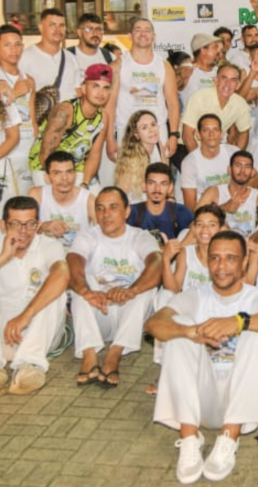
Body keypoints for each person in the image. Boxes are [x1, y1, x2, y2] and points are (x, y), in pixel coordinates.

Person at [146, 230, 258, 484]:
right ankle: (190, 438)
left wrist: (238, 322)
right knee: (177, 328)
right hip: (200, 400)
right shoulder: (196, 295)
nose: (221, 266)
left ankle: (229, 438)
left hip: (247, 406)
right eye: (214, 258)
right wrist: (189, 331)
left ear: (244, 261)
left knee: (257, 332)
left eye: (230, 258)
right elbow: (154, 324)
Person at [67, 187, 162, 388]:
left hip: (131, 313)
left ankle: (115, 353)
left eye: (113, 207)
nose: (105, 214)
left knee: (145, 289)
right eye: (100, 208)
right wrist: (88, 292)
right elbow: (74, 261)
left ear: (127, 211)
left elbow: (156, 263)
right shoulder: (87, 236)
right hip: (99, 310)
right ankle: (89, 354)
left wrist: (131, 290)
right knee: (81, 284)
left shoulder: (140, 236)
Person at [0, 196, 68, 394]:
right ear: (4, 225)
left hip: (40, 334)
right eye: (16, 224)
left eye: (30, 224)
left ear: (38, 225)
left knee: (56, 293)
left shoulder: (48, 245)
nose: (23, 231)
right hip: (4, 335)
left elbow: (62, 274)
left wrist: (26, 315)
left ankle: (29, 366)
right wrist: (4, 256)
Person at [103, 17, 180, 185]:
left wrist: (174, 135)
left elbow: (173, 103)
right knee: (129, 186)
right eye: (137, 30)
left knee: (159, 184)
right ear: (130, 36)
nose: (142, 33)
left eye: (147, 30)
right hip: (128, 133)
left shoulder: (164, 65)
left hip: (157, 133)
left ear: (154, 36)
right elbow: (109, 105)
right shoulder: (118, 65)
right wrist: (110, 138)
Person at [28, 63, 110, 189]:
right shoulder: (64, 112)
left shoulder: (103, 117)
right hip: (46, 167)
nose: (101, 92)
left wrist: (85, 183)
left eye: (106, 88)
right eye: (95, 86)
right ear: (83, 88)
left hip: (75, 168)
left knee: (94, 202)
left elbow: (94, 155)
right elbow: (45, 153)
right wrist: (58, 179)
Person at [29, 151, 95, 250]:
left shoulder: (89, 199)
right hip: (45, 256)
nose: (64, 178)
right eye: (57, 173)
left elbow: (104, 234)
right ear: (47, 177)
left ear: (75, 174)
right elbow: (24, 228)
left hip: (78, 257)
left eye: (69, 172)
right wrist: (44, 226)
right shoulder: (37, 195)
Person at [196, 150, 258, 238]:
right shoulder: (214, 192)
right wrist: (223, 208)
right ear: (229, 169)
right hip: (220, 241)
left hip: (248, 243)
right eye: (238, 165)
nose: (242, 170)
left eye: (247, 167)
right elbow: (195, 218)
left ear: (253, 172)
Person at [181, 63, 251, 151]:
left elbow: (244, 132)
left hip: (213, 149)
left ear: (238, 85)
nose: (227, 84)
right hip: (186, 146)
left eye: (233, 80)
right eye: (224, 78)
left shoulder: (240, 103)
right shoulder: (199, 98)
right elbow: (187, 136)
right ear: (216, 81)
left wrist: (236, 157)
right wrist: (199, 160)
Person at [0, 24, 35, 196]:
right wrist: (14, 92)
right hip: (5, 152)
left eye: (18, 44)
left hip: (27, 153)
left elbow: (33, 120)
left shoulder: (28, 79)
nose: (14, 49)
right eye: (7, 45)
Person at [180, 114, 240, 210]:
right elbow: (190, 208)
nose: (211, 134)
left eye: (215, 129)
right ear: (198, 134)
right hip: (206, 215)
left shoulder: (234, 153)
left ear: (222, 134)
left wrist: (237, 178)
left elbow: (257, 182)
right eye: (206, 130)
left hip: (236, 209)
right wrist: (223, 207)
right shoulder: (189, 162)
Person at [19, 9, 79, 103]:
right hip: (40, 116)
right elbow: (20, 98)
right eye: (52, 25)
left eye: (61, 25)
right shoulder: (25, 58)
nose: (57, 29)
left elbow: (77, 91)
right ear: (41, 27)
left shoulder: (71, 58)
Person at [127, 162, 193, 244]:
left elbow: (196, 232)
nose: (157, 189)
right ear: (144, 186)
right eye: (151, 183)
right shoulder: (131, 212)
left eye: (163, 184)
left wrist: (175, 250)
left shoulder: (181, 212)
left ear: (170, 187)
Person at [115, 110, 167, 203]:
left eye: (153, 124)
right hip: (134, 206)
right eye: (144, 128)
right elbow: (120, 193)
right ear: (136, 134)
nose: (152, 130)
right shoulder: (131, 158)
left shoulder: (158, 145)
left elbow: (167, 177)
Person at [178, 33, 222, 109]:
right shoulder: (186, 69)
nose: (219, 52)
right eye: (215, 47)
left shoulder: (219, 72)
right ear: (203, 50)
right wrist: (181, 76)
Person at [67, 13, 114, 81]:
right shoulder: (67, 57)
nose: (95, 33)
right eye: (89, 29)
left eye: (99, 29)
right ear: (79, 32)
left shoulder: (110, 57)